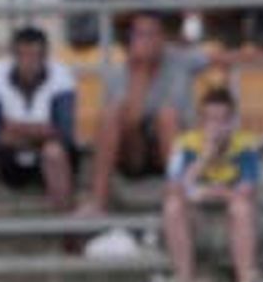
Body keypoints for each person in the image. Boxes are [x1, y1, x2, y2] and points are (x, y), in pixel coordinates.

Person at [82, 13, 204, 213]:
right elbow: (131, 123)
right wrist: (140, 73)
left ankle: (180, 201)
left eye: (153, 34)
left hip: (174, 144)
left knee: (167, 116)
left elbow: (218, 58)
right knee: (110, 115)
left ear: (163, 38)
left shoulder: (180, 59)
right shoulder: (119, 75)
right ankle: (98, 202)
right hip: (134, 151)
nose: (148, 41)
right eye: (141, 35)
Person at [0, 26, 77, 222]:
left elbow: (64, 133)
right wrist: (41, 131)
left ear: (45, 56)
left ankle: (68, 232)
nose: (28, 62)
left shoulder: (61, 77)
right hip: (7, 158)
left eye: (34, 56)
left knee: (54, 153)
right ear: (14, 56)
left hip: (45, 158)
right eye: (23, 55)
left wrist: (14, 128)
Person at [161, 88, 262, 282]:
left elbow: (246, 191)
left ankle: (246, 280)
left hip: (229, 215)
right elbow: (173, 188)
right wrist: (205, 157)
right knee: (173, 207)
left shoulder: (247, 145)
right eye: (210, 120)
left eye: (222, 120)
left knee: (241, 208)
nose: (216, 127)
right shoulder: (183, 144)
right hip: (196, 216)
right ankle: (184, 281)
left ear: (232, 122)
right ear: (200, 121)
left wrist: (200, 192)